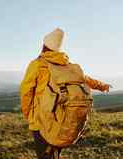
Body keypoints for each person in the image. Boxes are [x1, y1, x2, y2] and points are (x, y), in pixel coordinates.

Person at [20, 28, 111, 159]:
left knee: (43, 154)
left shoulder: (37, 64)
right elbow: (84, 78)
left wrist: (29, 114)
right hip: (61, 118)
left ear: (44, 45)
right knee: (54, 150)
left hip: (40, 121)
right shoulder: (67, 65)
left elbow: (26, 92)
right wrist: (101, 86)